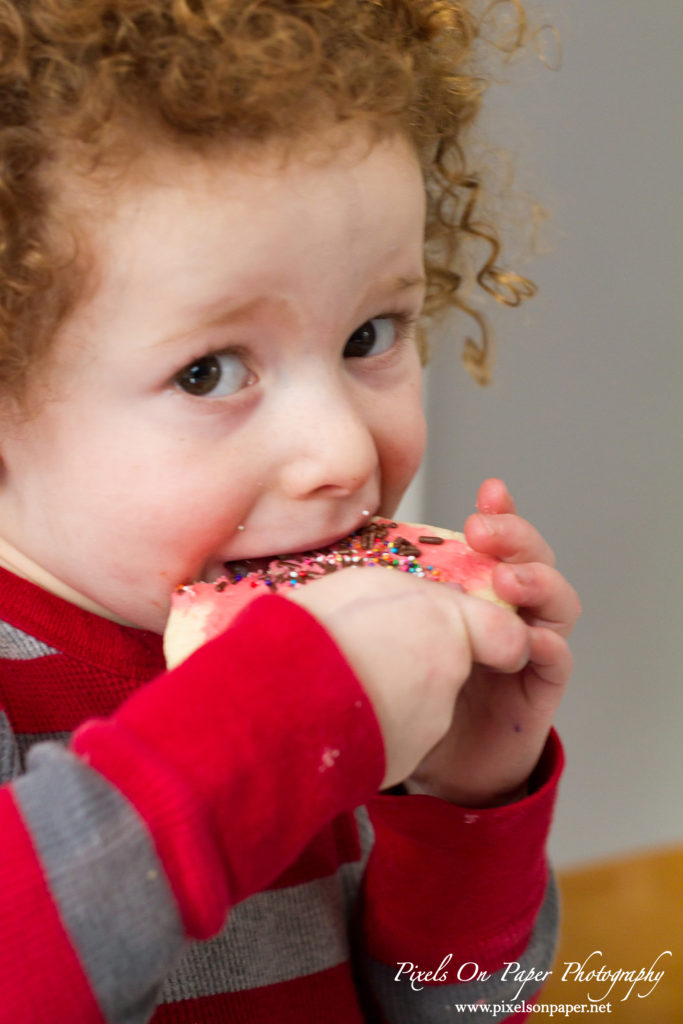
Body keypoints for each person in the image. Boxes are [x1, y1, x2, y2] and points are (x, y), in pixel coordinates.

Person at [0, 2, 580, 1022]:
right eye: (209, 370)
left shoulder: (346, 656)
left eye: (369, 334)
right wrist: (275, 729)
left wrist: (460, 806)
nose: (343, 454)